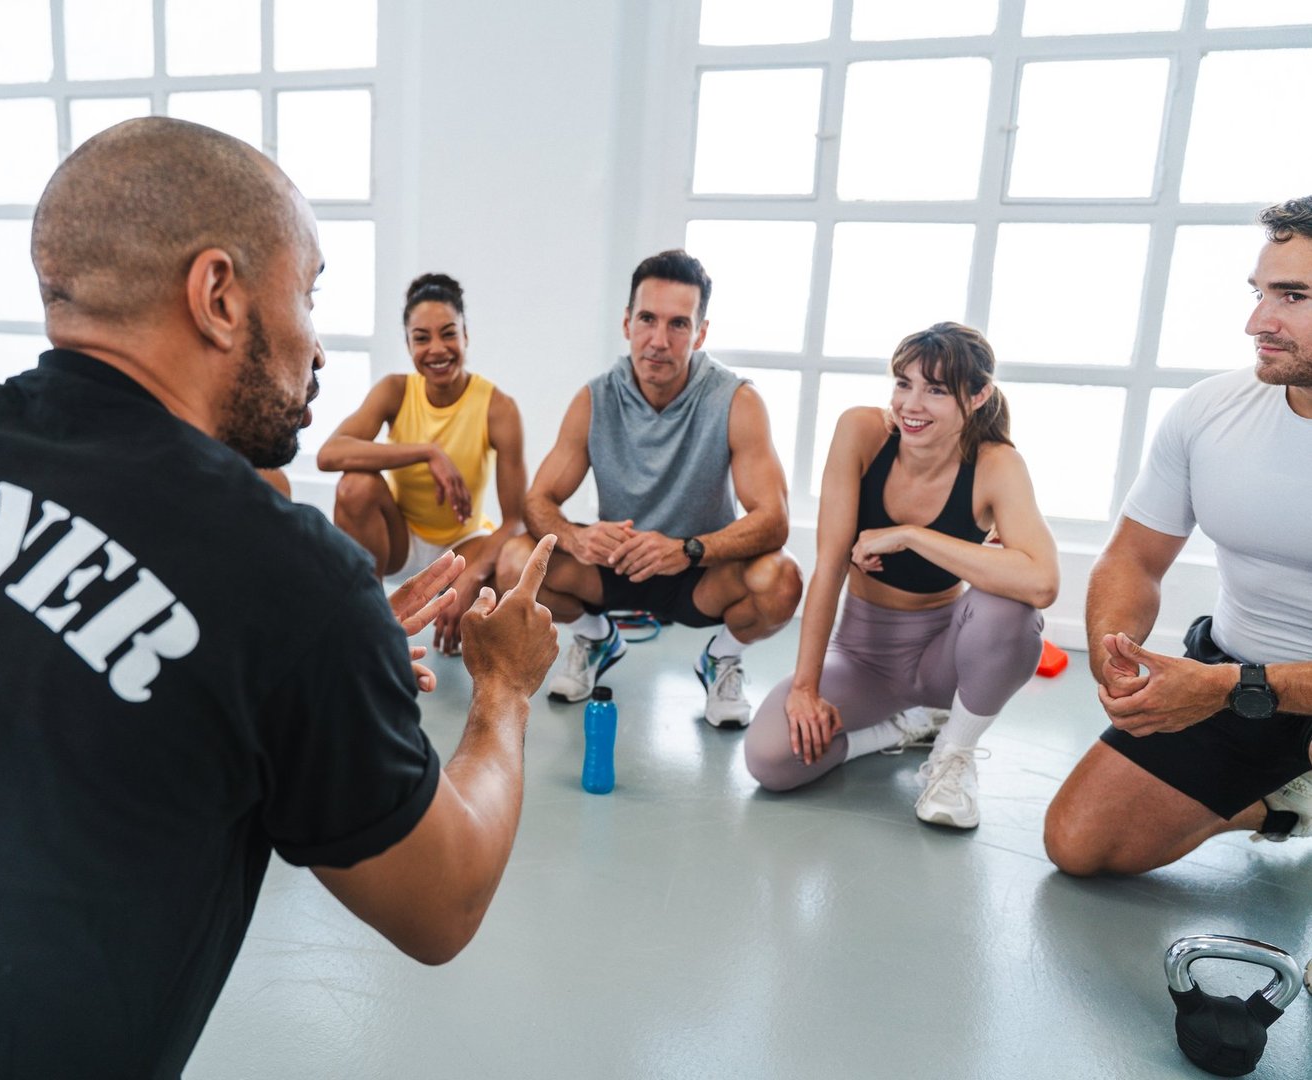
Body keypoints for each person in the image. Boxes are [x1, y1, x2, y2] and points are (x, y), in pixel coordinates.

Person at [0, 117, 561, 1076]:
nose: (317, 345)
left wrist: (304, 674)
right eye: (308, 293)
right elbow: (444, 902)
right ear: (220, 295)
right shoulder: (280, 569)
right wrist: (505, 689)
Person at [1044, 197, 1312, 875]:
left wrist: (1232, 688)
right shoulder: (1209, 410)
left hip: (1242, 686)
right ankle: (1286, 803)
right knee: (1079, 843)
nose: (1258, 321)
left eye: (1292, 296)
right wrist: (1117, 655)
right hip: (1233, 675)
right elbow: (1134, 556)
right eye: (1259, 293)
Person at [742, 324, 1058, 828]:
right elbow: (828, 567)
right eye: (903, 383)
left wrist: (910, 535)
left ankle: (954, 753)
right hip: (864, 655)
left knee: (1011, 608)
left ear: (978, 396)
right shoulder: (861, 433)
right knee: (771, 760)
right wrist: (806, 687)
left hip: (944, 658)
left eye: (935, 390)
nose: (912, 404)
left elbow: (1042, 582)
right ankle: (897, 730)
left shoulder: (997, 464)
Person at [494, 249, 802, 727]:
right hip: (615, 563)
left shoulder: (737, 400)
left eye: (678, 324)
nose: (659, 340)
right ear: (627, 323)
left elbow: (774, 520)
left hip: (700, 571)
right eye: (648, 319)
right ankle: (596, 638)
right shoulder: (594, 398)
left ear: (700, 333)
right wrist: (577, 538)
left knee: (781, 579)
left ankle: (721, 659)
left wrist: (688, 549)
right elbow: (538, 501)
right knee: (516, 561)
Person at [318, 273, 527, 655]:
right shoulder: (395, 391)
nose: (437, 349)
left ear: (467, 334)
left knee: (514, 557)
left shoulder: (498, 407)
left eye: (448, 333)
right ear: (408, 343)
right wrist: (428, 452)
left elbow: (514, 519)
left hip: (464, 543)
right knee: (355, 485)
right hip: (401, 542)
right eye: (422, 337)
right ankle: (368, 619)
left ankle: (467, 623)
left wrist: (471, 577)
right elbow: (329, 454)